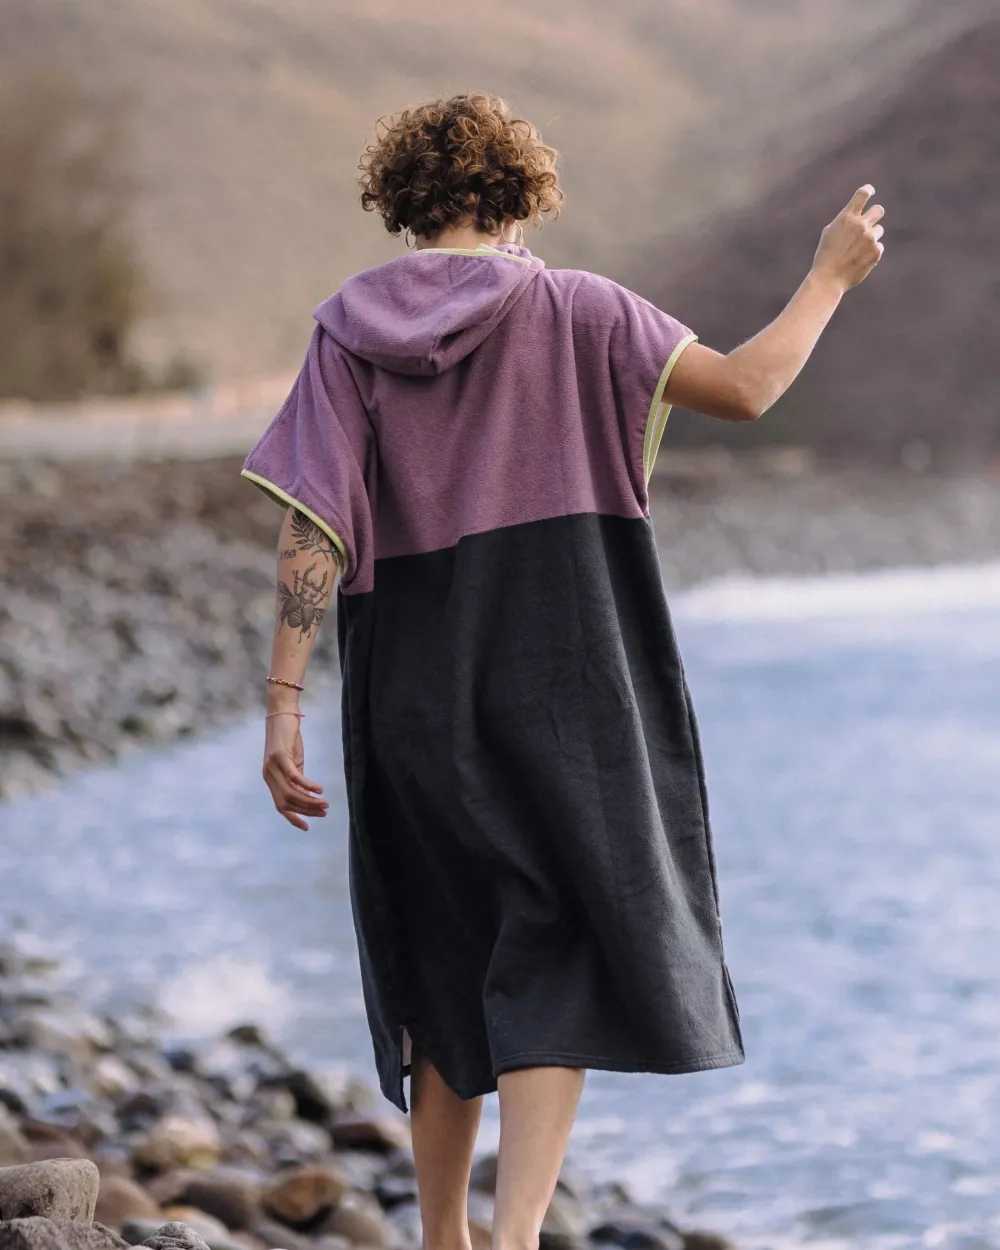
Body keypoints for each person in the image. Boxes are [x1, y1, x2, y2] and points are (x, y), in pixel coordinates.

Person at [242, 93, 885, 1250]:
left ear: (404, 202)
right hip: (563, 672)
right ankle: (517, 1233)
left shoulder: (347, 332)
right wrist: (828, 278)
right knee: (556, 947)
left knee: (439, 947)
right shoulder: (581, 308)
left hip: (410, 685)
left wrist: (284, 701)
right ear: (516, 197)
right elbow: (746, 386)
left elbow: (313, 526)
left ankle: (443, 1233)